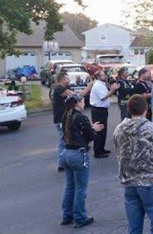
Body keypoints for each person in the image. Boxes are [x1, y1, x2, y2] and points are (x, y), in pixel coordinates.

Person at [113, 95, 153, 234]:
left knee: (134, 226)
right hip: (150, 181)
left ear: (129, 109)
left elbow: (119, 153)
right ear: (146, 109)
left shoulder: (119, 129)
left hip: (129, 181)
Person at [59, 93, 104, 228]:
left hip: (66, 153)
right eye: (83, 101)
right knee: (80, 188)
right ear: (78, 103)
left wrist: (88, 127)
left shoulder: (66, 115)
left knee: (70, 186)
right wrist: (94, 129)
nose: (84, 103)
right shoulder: (81, 117)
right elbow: (90, 136)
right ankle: (80, 217)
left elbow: (74, 131)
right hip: (78, 154)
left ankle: (67, 215)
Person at [53, 72, 93, 172]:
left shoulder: (61, 89)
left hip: (63, 118)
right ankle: (62, 163)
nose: (69, 81)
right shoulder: (59, 89)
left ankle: (64, 162)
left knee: (65, 140)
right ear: (61, 79)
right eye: (67, 79)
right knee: (63, 141)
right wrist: (89, 87)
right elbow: (78, 96)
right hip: (62, 120)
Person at [89, 71, 118, 159]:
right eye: (103, 75)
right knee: (99, 130)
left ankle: (101, 148)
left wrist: (112, 90)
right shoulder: (98, 85)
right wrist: (113, 90)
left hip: (102, 109)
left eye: (105, 75)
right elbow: (103, 97)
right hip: (98, 110)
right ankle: (97, 151)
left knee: (103, 130)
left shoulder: (102, 84)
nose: (105, 76)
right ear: (98, 77)